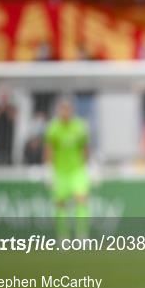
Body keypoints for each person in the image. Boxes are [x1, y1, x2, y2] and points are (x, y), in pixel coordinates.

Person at [45, 98, 90, 239]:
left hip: (77, 170)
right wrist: (48, 169)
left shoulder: (79, 127)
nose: (65, 113)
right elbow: (49, 149)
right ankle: (62, 235)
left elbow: (85, 148)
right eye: (62, 110)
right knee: (60, 203)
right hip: (60, 171)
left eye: (67, 110)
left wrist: (88, 166)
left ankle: (82, 235)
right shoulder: (53, 128)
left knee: (81, 199)